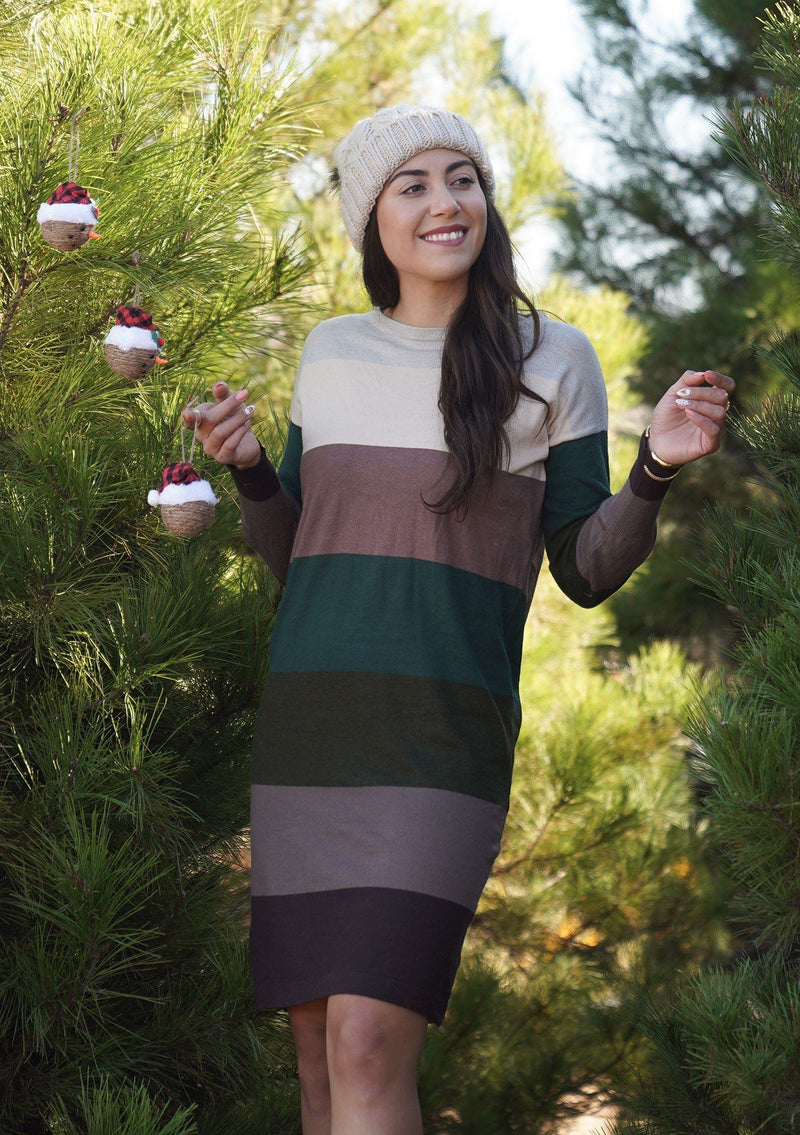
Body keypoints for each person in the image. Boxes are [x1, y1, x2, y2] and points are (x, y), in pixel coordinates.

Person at [183, 104, 735, 1135]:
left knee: (364, 1042)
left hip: (440, 745)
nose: (446, 202)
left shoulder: (552, 358)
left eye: (463, 178)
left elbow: (585, 566)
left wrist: (652, 467)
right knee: (315, 1055)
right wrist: (251, 468)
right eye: (414, 185)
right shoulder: (330, 353)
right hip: (310, 740)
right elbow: (296, 561)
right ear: (371, 221)